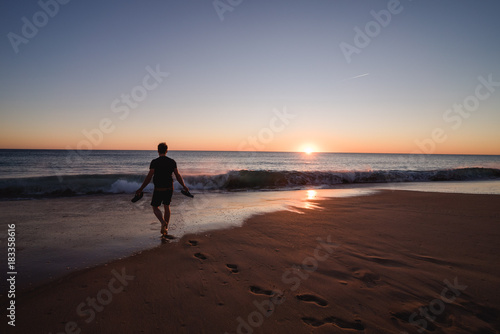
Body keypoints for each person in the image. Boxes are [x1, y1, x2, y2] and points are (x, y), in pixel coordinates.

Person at [136, 142, 189, 236]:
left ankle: (162, 222)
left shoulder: (154, 162)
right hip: (169, 188)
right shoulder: (172, 161)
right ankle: (166, 228)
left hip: (159, 188)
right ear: (166, 150)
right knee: (167, 206)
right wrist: (184, 186)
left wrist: (141, 188)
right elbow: (177, 175)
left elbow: (149, 177)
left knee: (155, 207)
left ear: (158, 151)